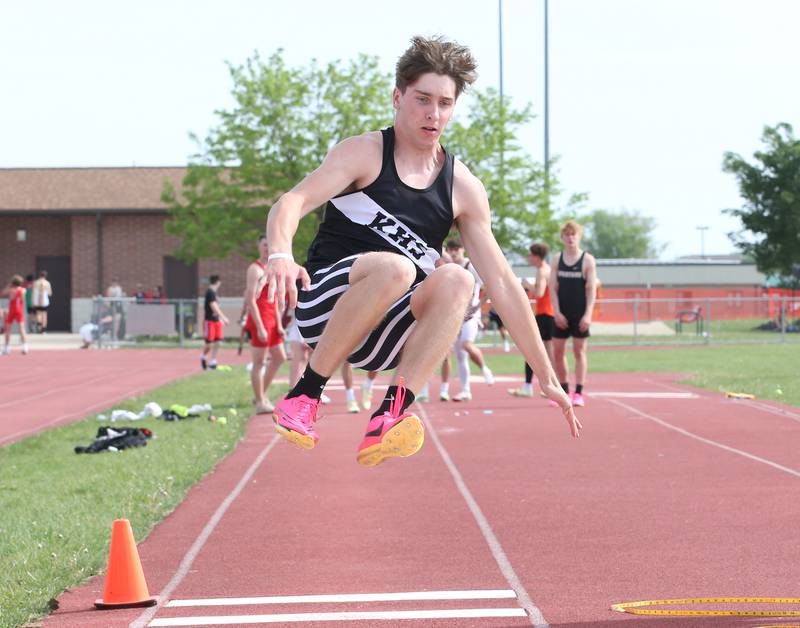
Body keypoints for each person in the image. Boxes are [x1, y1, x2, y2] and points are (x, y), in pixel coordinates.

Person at [264, 36, 581, 465]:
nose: (433, 114)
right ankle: (305, 394)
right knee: (396, 268)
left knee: (459, 279)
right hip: (326, 309)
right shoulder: (365, 153)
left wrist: (546, 376)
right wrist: (281, 253)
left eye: (445, 104)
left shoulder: (462, 187)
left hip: (385, 335)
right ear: (398, 97)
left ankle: (388, 416)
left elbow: (503, 283)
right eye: (422, 100)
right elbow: (293, 202)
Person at [549, 220, 598, 407]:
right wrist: (557, 313)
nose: (570, 238)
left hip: (580, 312)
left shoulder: (587, 260)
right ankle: (564, 391)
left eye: (574, 234)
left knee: (579, 351)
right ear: (562, 237)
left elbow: (591, 289)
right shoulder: (556, 259)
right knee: (558, 352)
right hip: (562, 313)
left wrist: (588, 315)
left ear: (579, 237)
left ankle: (579, 393)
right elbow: (552, 288)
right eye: (567, 234)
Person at [444, 238, 494, 402]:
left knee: (466, 344)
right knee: (460, 355)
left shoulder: (470, 266)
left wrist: (479, 306)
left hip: (472, 315)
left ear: (462, 250)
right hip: (456, 315)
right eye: (451, 249)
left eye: (456, 249)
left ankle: (484, 368)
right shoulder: (449, 268)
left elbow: (488, 287)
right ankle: (466, 390)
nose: (453, 252)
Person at [245, 235, 287, 413]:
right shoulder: (255, 269)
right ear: (258, 246)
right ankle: (260, 402)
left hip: (272, 319)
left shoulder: (273, 269)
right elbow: (250, 300)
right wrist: (260, 326)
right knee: (259, 362)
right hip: (259, 321)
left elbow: (276, 299)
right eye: (264, 245)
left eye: (270, 245)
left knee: (280, 358)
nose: (267, 248)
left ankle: (260, 394)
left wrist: (279, 325)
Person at [509, 242, 555, 398]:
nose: (528, 258)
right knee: (548, 352)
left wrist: (527, 285)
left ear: (536, 256)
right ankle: (553, 386)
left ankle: (529, 386)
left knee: (532, 350)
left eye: (530, 255)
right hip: (549, 314)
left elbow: (540, 292)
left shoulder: (542, 271)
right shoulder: (549, 269)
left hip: (544, 314)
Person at [201, 275, 230, 370]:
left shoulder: (214, 293)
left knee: (218, 342)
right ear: (217, 282)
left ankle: (213, 361)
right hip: (209, 321)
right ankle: (203, 357)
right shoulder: (210, 292)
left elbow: (216, 307)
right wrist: (223, 317)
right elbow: (213, 306)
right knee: (209, 344)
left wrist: (219, 319)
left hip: (216, 321)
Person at [1, 275, 29, 354]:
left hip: (12, 310)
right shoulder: (23, 290)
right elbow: (23, 299)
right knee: (22, 329)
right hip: (19, 310)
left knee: (8, 329)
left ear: (13, 282)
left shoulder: (11, 290)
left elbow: (2, 293)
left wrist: (8, 286)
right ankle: (25, 346)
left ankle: (7, 347)